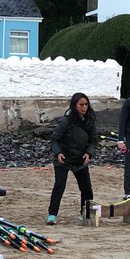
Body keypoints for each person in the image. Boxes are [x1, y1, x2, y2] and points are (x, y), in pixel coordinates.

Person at [46, 92, 97, 226]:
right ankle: (52, 215)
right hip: (63, 159)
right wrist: (58, 153)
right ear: (74, 106)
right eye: (81, 105)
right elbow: (55, 139)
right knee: (59, 186)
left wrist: (89, 153)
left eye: (86, 104)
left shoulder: (90, 120)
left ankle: (84, 213)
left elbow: (93, 140)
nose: (84, 107)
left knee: (86, 189)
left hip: (80, 160)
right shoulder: (66, 120)